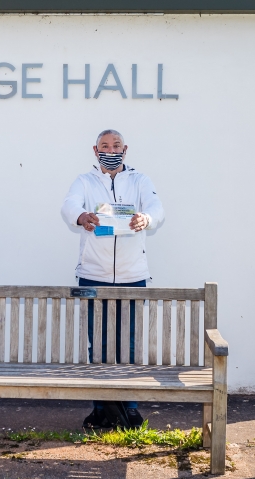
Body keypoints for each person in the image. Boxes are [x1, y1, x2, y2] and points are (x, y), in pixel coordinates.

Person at [61, 129, 164, 429]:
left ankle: (129, 407)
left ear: (125, 149)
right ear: (95, 150)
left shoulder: (139, 180)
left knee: (128, 344)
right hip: (94, 275)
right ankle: (102, 408)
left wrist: (148, 218)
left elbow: (157, 208)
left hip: (133, 276)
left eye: (116, 145)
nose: (110, 150)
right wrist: (81, 216)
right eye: (104, 146)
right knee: (99, 345)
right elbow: (69, 204)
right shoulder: (84, 181)